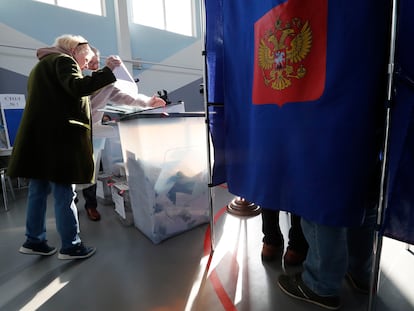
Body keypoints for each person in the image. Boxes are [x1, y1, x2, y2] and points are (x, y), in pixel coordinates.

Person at [7, 34, 121, 259]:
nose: (86, 65)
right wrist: (107, 70)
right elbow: (77, 87)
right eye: (86, 59)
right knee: (63, 192)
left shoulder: (39, 68)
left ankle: (34, 240)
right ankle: (71, 245)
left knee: (37, 191)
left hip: (38, 141)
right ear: (75, 50)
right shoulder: (64, 61)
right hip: (57, 141)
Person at [80, 46, 166, 221]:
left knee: (91, 170)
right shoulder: (78, 78)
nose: (95, 64)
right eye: (91, 61)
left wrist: (149, 101)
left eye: (97, 61)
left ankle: (91, 205)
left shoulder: (107, 83)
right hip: (74, 130)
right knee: (71, 175)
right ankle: (71, 204)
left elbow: (128, 98)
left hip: (94, 131)